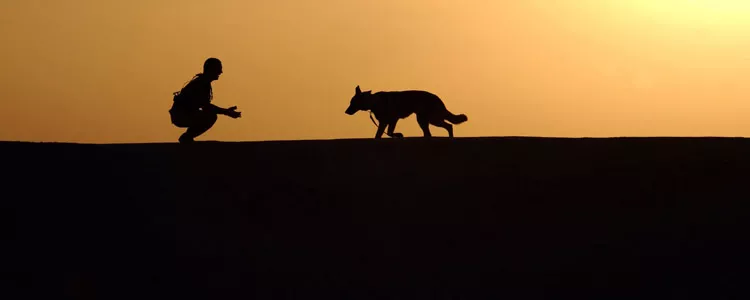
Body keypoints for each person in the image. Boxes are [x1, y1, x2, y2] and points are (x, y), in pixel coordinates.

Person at [169, 58, 241, 143]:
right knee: (211, 116)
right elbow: (206, 107)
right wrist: (226, 112)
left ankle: (187, 137)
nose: (221, 72)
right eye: (219, 69)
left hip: (183, 114)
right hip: (181, 115)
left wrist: (226, 111)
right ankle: (187, 137)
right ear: (211, 69)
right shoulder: (201, 84)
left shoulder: (203, 82)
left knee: (209, 115)